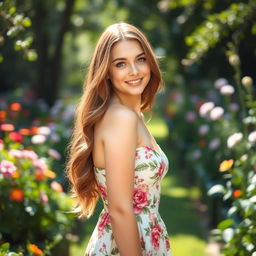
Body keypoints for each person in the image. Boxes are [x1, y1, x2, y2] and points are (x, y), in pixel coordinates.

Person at [67, 22, 172, 256]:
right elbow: (120, 209)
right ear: (106, 72)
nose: (134, 71)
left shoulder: (132, 115)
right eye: (121, 64)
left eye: (141, 59)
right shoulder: (121, 119)